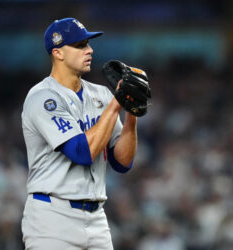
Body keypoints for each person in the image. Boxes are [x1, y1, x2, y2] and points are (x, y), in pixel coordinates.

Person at [21, 17, 139, 250]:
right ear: (58, 53)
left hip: (97, 219)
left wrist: (131, 112)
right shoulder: (43, 98)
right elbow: (81, 152)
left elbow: (122, 162)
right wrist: (117, 103)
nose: (89, 50)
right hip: (52, 218)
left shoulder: (101, 94)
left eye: (88, 44)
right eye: (80, 45)